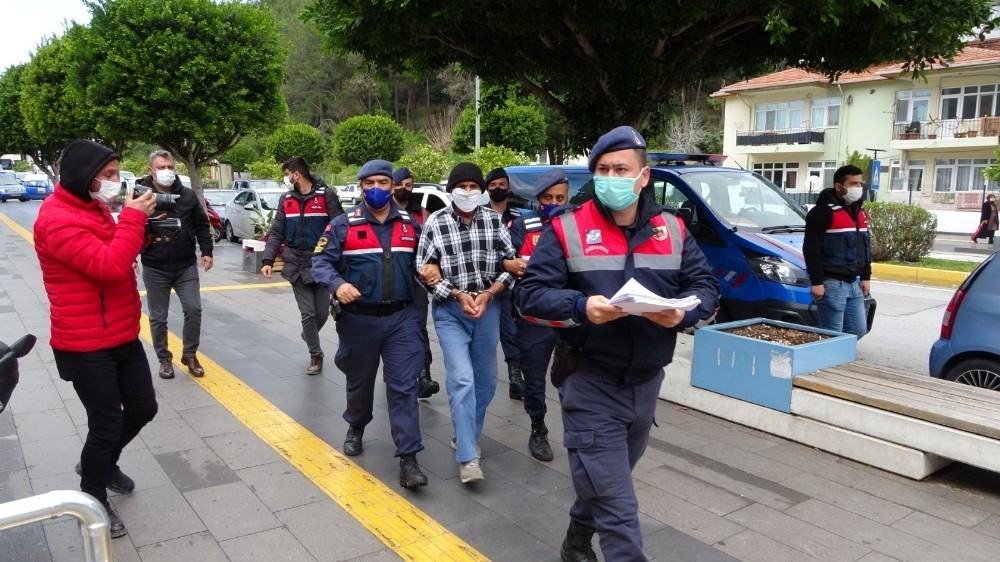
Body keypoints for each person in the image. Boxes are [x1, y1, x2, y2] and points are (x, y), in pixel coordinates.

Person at [515, 126, 718, 561]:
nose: (611, 177)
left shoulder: (673, 228)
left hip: (646, 384)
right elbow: (529, 296)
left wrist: (685, 313)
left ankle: (574, 540)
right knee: (620, 508)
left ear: (643, 176)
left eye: (621, 169)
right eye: (603, 170)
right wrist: (581, 306)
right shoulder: (567, 229)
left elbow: (705, 286)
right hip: (589, 382)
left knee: (606, 481)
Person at [34, 139, 160, 538]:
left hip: (121, 331)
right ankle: (92, 496)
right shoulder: (56, 218)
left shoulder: (95, 208)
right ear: (81, 176)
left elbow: (116, 252)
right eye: (105, 176)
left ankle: (102, 464)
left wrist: (140, 233)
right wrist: (134, 221)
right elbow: (107, 266)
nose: (112, 183)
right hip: (85, 343)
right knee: (105, 423)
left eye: (115, 174)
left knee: (143, 407)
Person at [312, 159, 428, 488]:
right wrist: (338, 284)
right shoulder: (342, 225)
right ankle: (357, 424)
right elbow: (320, 262)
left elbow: (429, 260)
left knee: (404, 387)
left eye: (383, 182)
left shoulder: (411, 225)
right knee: (360, 384)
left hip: (402, 319)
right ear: (360, 187)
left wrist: (432, 270)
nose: (376, 189)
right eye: (369, 183)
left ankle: (408, 458)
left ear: (394, 186)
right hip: (358, 320)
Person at [415, 163, 517, 484]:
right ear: (451, 191)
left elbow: (510, 264)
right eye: (463, 187)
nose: (469, 192)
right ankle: (468, 457)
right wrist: (457, 294)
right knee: (462, 379)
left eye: (475, 186)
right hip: (451, 311)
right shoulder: (436, 223)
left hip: (487, 308)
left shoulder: (493, 221)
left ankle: (464, 433)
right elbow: (424, 270)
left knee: (485, 382)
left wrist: (488, 294)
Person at [505, 168, 571, 462]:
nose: (554, 202)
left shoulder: (575, 225)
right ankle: (538, 428)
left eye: (560, 197)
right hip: (535, 320)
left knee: (573, 377)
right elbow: (504, 258)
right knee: (534, 377)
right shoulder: (523, 225)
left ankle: (578, 431)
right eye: (548, 197)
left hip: (571, 318)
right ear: (538, 198)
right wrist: (511, 264)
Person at [262, 157, 344, 374]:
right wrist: (268, 260)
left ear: (296, 174)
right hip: (295, 263)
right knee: (307, 313)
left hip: (322, 262)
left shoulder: (326, 196)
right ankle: (316, 355)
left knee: (321, 314)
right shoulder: (286, 199)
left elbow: (341, 227)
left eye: (287, 173)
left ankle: (309, 334)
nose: (286, 178)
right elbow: (277, 231)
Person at [138, 150, 214, 379]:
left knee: (193, 309)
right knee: (158, 317)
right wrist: (130, 256)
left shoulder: (188, 196)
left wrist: (207, 251)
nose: (167, 171)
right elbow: (129, 227)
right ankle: (164, 359)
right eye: (161, 167)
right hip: (154, 266)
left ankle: (189, 355)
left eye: (170, 167)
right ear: (151, 170)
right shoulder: (141, 197)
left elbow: (202, 225)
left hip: (185, 265)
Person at [803, 164, 872, 339]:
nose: (858, 188)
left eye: (860, 184)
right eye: (853, 183)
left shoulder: (859, 212)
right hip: (832, 283)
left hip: (853, 283)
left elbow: (864, 247)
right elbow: (811, 249)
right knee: (832, 334)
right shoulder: (822, 212)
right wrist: (817, 281)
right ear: (839, 186)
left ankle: (838, 361)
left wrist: (865, 276)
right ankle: (828, 364)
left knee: (857, 330)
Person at [391, 166, 440, 398]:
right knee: (392, 328)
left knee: (419, 326)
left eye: (408, 185)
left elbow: (434, 245)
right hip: (391, 279)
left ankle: (424, 375)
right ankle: (394, 370)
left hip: (417, 280)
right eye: (399, 184)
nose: (403, 189)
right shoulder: (384, 211)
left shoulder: (423, 214)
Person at [484, 167, 525, 399]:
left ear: (509, 187)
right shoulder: (479, 215)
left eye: (502, 184)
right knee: (484, 335)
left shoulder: (518, 217)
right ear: (486, 189)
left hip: (510, 284)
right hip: (484, 283)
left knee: (510, 332)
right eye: (493, 185)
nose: (497, 189)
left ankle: (515, 377)